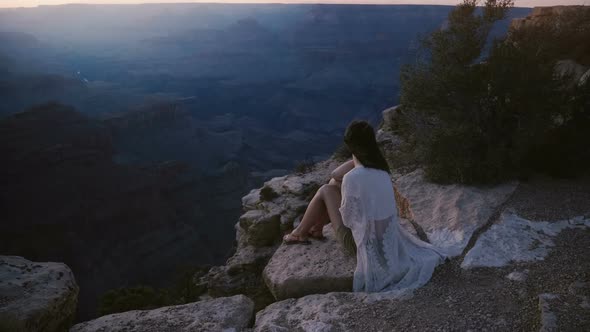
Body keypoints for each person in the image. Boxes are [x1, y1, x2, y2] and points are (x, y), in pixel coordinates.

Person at [283, 120, 447, 293]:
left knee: (326, 190)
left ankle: (299, 233)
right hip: (385, 238)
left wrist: (338, 201)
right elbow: (335, 175)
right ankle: (315, 230)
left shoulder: (353, 178)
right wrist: (357, 158)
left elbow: (348, 218)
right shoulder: (381, 169)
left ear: (350, 146)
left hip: (361, 243)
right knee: (333, 184)